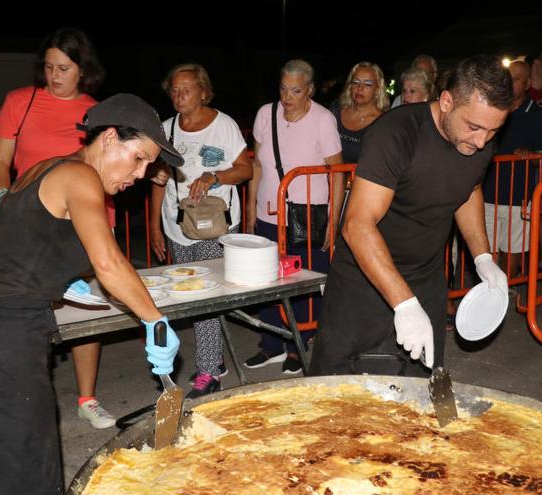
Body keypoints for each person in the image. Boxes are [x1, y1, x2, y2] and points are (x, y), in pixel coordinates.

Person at [0, 93, 183, 495]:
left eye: (150, 164)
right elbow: (110, 264)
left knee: (12, 466)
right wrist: (155, 320)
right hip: (6, 339)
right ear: (111, 138)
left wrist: (48, 275)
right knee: (30, 477)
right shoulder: (81, 177)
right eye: (139, 158)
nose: (143, 173)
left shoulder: (45, 169)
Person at [309, 55, 512, 376]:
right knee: (338, 402)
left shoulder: (480, 140)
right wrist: (403, 304)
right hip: (363, 283)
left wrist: (483, 257)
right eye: (473, 127)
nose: (481, 141)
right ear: (446, 101)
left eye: (492, 130)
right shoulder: (396, 133)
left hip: (426, 281)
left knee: (418, 403)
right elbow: (357, 224)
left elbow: (468, 189)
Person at [0, 28, 115, 428]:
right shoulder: (20, 102)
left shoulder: (98, 112)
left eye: (63, 68)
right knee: (30, 311)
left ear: (82, 70)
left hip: (85, 221)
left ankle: (87, 397)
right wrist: (6, 197)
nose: (54, 75)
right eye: (48, 66)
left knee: (86, 308)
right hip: (33, 224)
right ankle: (29, 397)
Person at [149, 63, 253, 398]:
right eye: (174, 90)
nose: (179, 96)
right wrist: (153, 225)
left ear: (203, 91)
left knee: (207, 296)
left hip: (217, 225)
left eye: (187, 89)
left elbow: (245, 168)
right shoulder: (165, 130)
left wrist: (215, 177)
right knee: (191, 297)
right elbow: (158, 181)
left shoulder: (223, 126)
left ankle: (209, 371)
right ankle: (214, 361)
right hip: (177, 225)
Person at [245, 59, 344, 374]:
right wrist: (250, 207)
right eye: (283, 89)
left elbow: (337, 173)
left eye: (296, 90)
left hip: (307, 218)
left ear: (310, 90)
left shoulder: (323, 120)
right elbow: (258, 165)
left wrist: (334, 218)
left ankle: (296, 346)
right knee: (267, 282)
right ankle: (271, 345)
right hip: (268, 214)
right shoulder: (265, 114)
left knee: (300, 284)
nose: (287, 97)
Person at [481, 60, 542, 279]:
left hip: (517, 196)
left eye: (517, 78)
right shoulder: (491, 108)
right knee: (487, 251)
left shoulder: (537, 115)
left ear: (528, 83)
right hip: (486, 194)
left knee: (512, 249)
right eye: (508, 77)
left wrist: (530, 157)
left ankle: (505, 290)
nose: (510, 83)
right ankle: (491, 292)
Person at [331, 62, 389, 164]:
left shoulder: (384, 122)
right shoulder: (335, 111)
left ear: (377, 89)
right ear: (350, 86)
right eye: (355, 82)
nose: (360, 88)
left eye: (367, 84)